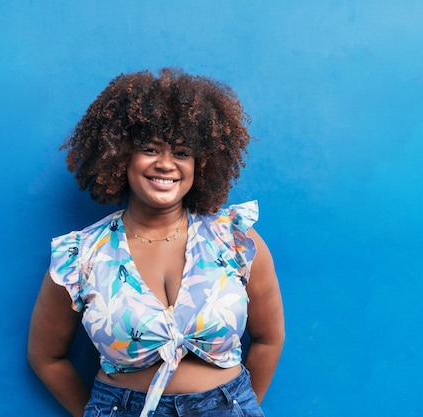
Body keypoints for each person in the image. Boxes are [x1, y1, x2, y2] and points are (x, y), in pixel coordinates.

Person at [28, 68, 285, 417]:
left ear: (200, 164)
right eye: (149, 149)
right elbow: (46, 357)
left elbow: (269, 339)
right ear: (120, 157)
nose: (165, 164)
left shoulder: (235, 237)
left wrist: (238, 407)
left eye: (181, 152)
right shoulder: (82, 255)